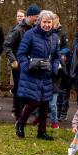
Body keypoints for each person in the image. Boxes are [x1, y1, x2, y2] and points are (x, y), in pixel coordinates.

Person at [15, 10, 60, 141]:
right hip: (32, 73)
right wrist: (26, 65)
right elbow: (21, 54)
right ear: (39, 22)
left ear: (52, 23)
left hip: (46, 74)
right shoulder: (30, 34)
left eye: (49, 22)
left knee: (45, 103)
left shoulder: (54, 37)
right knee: (34, 101)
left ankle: (42, 132)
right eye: (44, 22)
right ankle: (20, 123)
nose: (47, 25)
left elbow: (57, 57)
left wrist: (55, 67)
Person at [4, 4, 40, 119]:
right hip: (18, 65)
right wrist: (13, 60)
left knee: (28, 91)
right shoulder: (18, 29)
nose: (38, 19)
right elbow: (6, 45)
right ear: (30, 16)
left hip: (31, 65)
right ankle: (18, 116)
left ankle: (24, 116)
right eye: (37, 16)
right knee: (20, 91)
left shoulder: (36, 28)